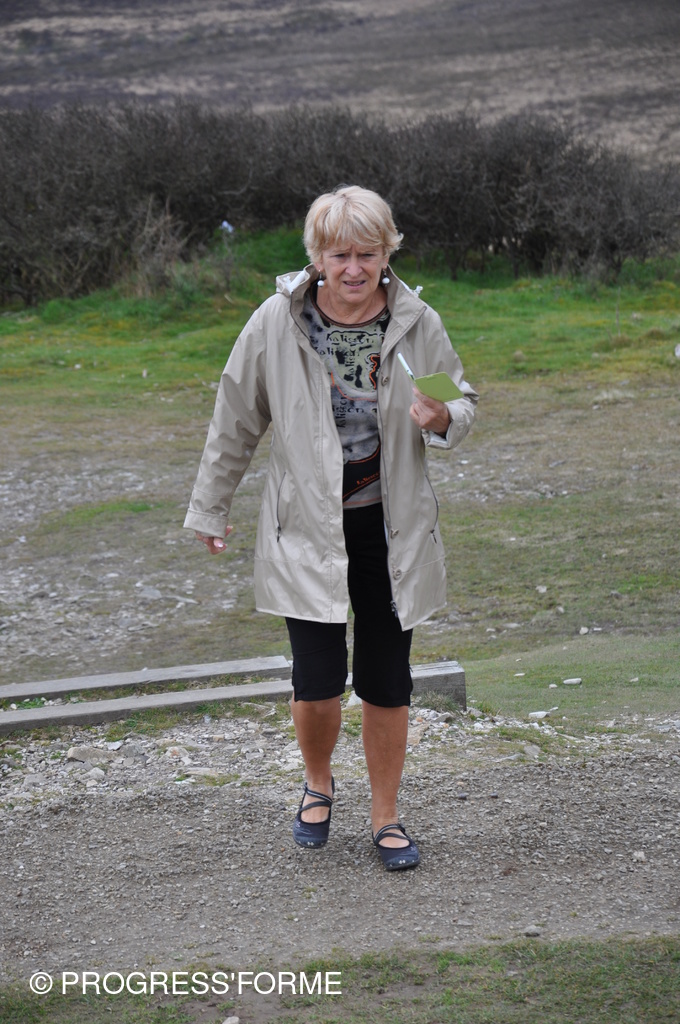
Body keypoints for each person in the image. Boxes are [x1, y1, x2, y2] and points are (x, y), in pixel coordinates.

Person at [184, 185, 478, 870]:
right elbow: (235, 417)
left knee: (387, 678)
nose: (353, 269)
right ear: (316, 256)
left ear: (387, 253)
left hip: (391, 530)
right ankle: (318, 783)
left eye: (367, 254)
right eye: (339, 255)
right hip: (306, 530)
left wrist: (443, 417)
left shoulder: (415, 321)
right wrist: (210, 507)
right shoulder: (276, 322)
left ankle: (386, 816)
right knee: (316, 681)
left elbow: (457, 399)